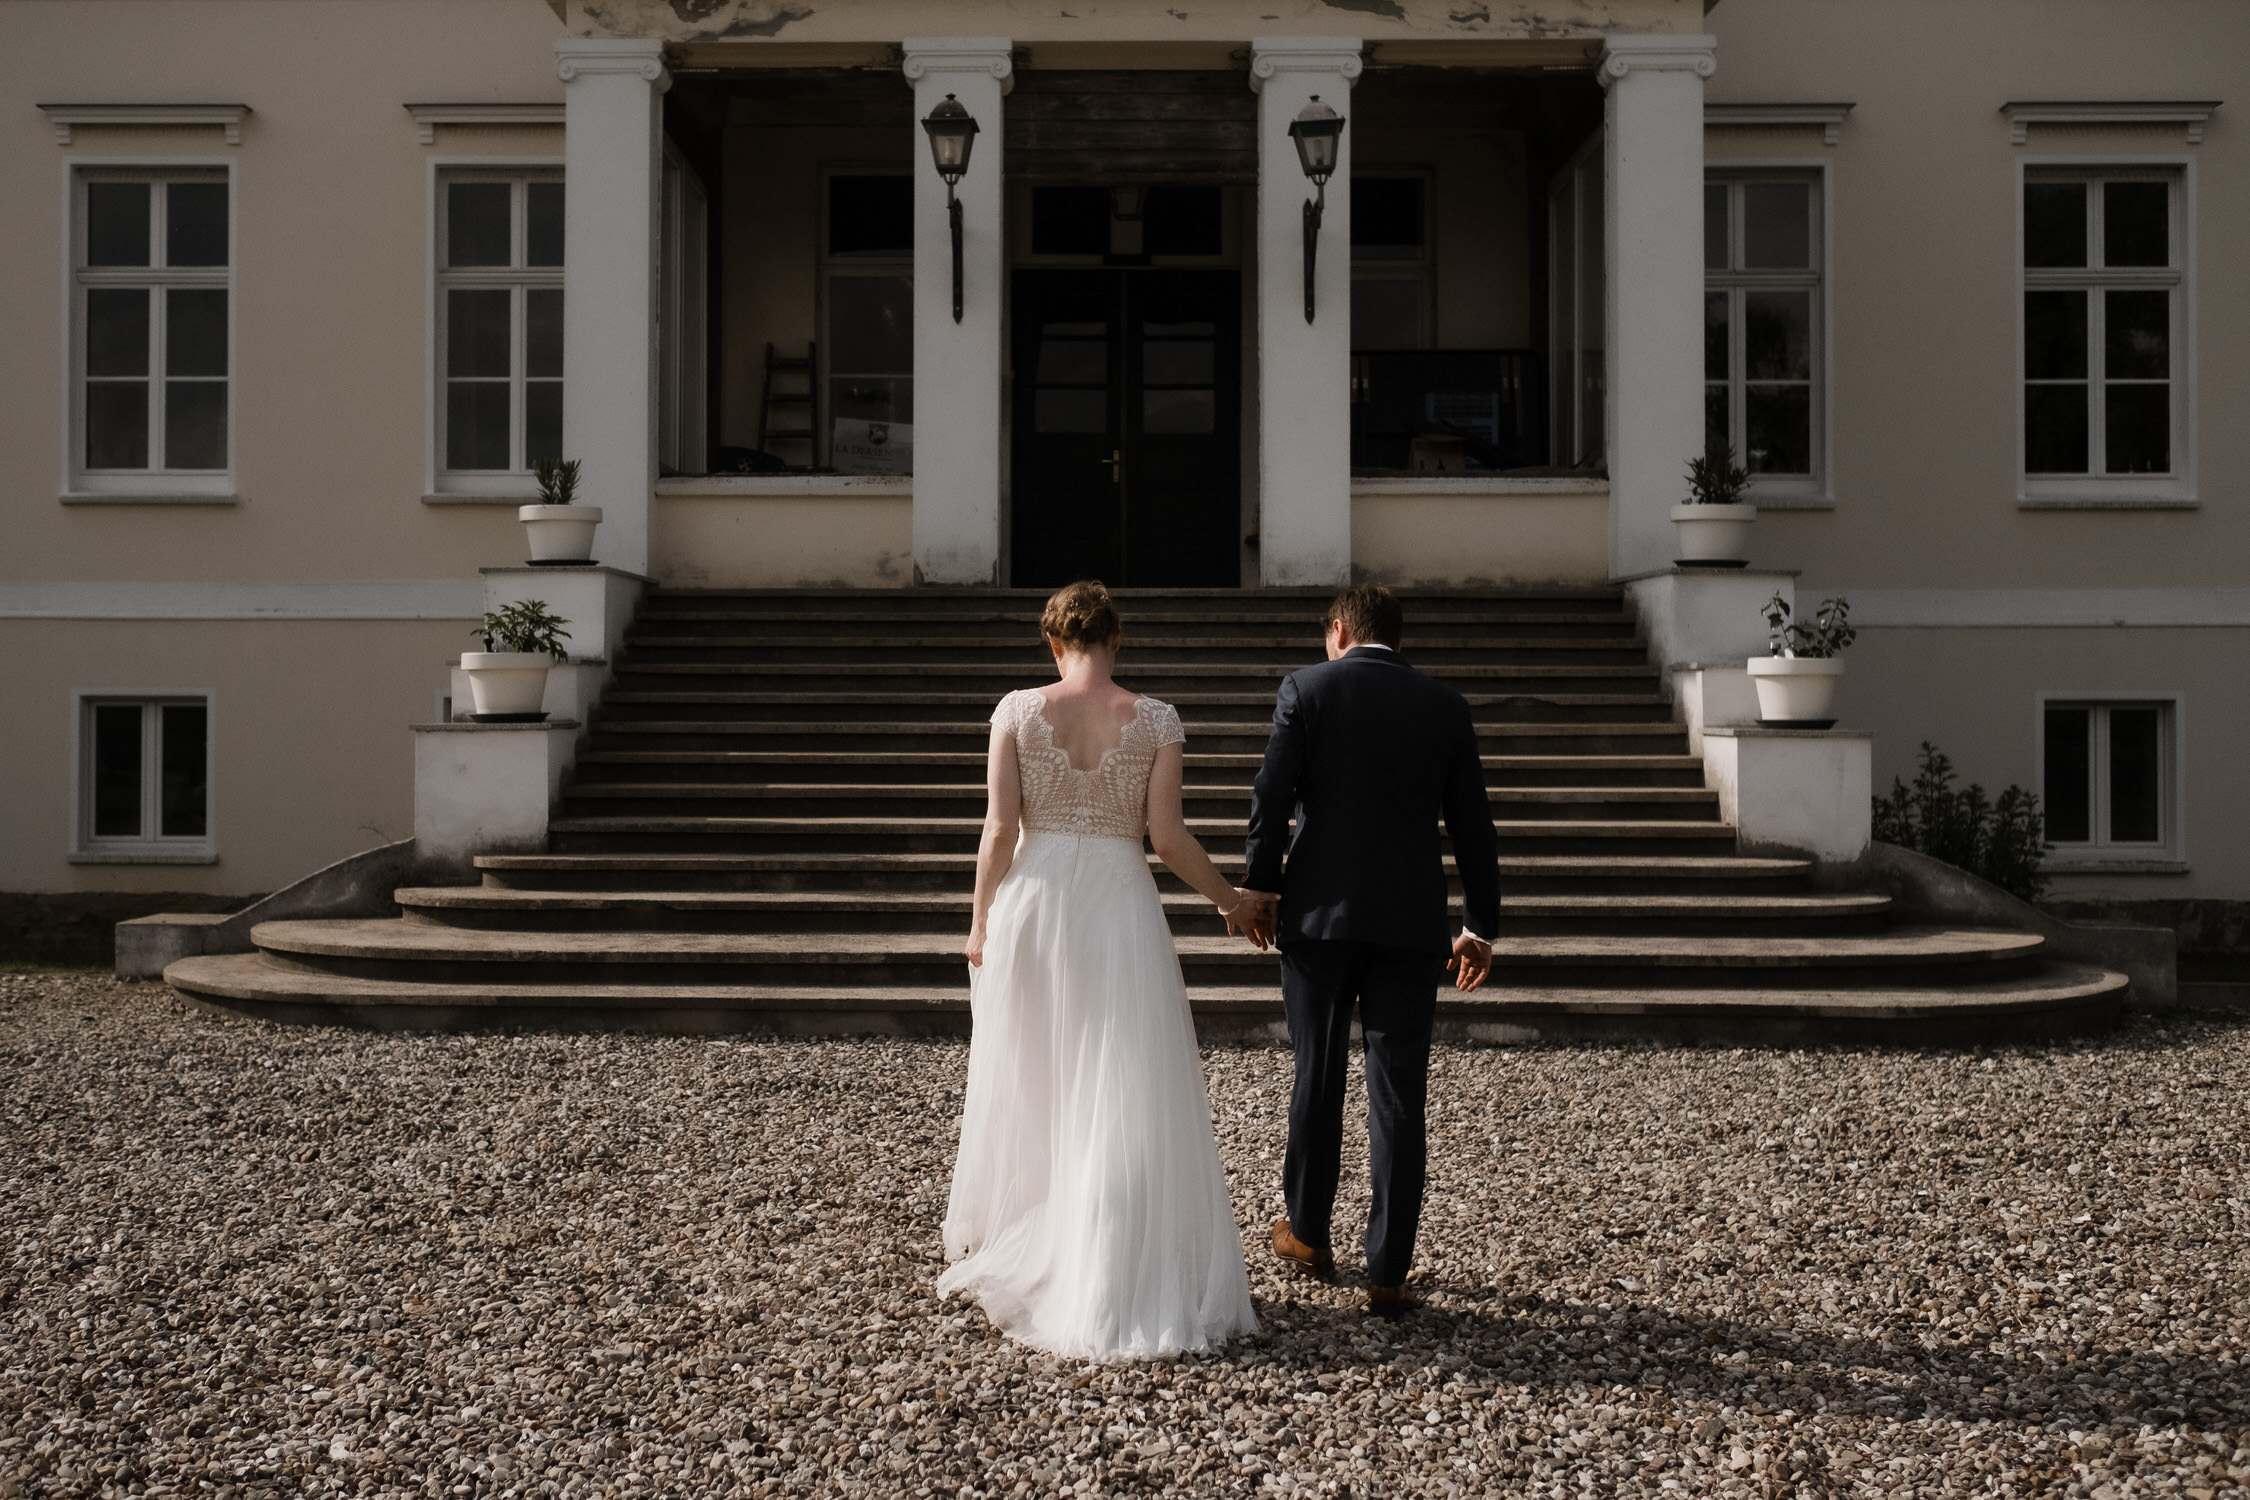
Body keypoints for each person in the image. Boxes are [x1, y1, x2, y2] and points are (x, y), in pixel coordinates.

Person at [939, 580, 1262, 1361]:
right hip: (1118, 905)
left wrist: (980, 921)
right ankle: (1112, 1259)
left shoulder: (1016, 710)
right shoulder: (1155, 718)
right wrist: (1231, 902)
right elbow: (1169, 836)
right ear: (1117, 641)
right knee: (1120, 1079)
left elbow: (999, 828)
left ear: (1054, 643)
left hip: (1036, 904)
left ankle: (1042, 1237)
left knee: (1039, 1076)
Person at [1236, 584, 1502, 1318]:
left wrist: (1260, 886)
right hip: (1412, 924)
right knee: (1398, 1096)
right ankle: (1388, 1269)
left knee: (1316, 1076)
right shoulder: (1444, 706)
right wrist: (1480, 926)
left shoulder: (1307, 689)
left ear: (1339, 630)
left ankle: (1311, 1234)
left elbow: (1272, 793)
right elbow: (1473, 825)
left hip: (1319, 917)